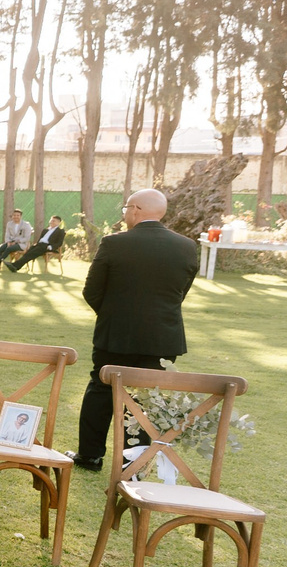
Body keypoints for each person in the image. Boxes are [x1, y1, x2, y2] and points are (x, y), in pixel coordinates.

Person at [72, 189, 199, 470]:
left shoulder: (114, 243)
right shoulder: (187, 246)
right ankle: (133, 462)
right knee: (146, 397)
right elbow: (180, 293)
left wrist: (115, 317)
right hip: (162, 336)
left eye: (126, 209)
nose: (125, 214)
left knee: (101, 389)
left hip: (116, 334)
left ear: (136, 209)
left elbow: (92, 290)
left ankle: (90, 455)